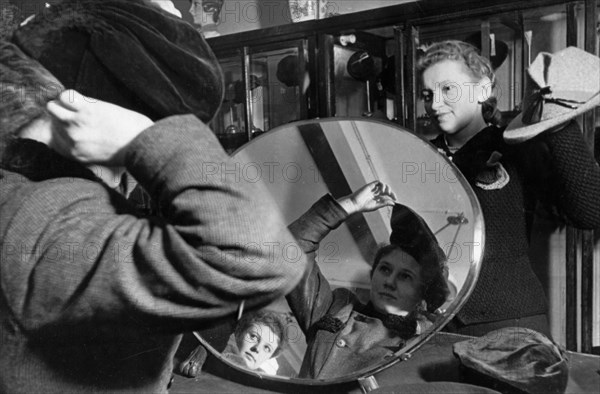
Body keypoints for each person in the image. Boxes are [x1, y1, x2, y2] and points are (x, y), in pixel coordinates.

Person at [0, 2, 306, 393]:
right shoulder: (46, 222)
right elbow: (260, 259)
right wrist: (143, 140)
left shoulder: (31, 194)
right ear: (90, 115)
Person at [418, 41, 600, 337]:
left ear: (481, 90)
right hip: (434, 323)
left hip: (508, 320)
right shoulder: (418, 155)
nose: (435, 104)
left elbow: (590, 212)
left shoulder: (517, 147)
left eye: (448, 90)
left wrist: (557, 123)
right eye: (427, 95)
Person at [286, 181, 450, 379]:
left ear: (423, 292)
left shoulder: (424, 344)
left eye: (405, 276)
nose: (389, 281)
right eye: (385, 269)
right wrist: (350, 204)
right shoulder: (335, 309)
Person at [221, 310, 288, 375]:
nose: (257, 348)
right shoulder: (218, 350)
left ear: (270, 357)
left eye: (267, 348)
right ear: (239, 333)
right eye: (253, 336)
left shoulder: (263, 383)